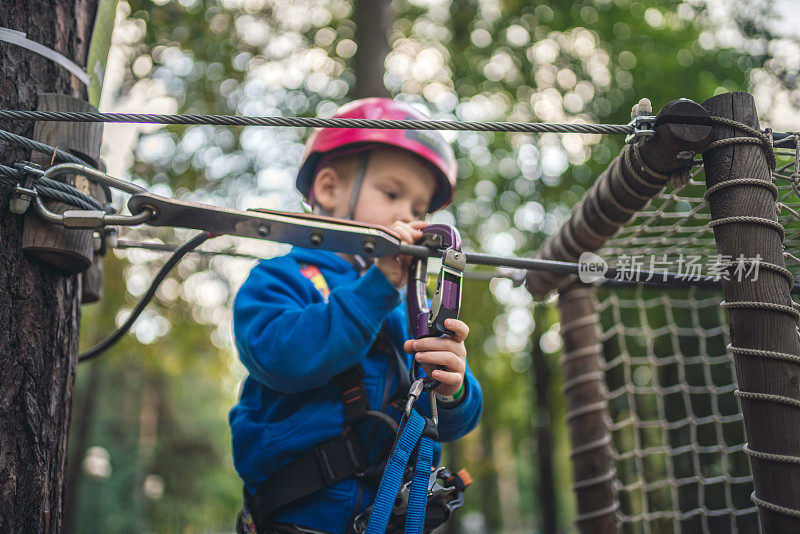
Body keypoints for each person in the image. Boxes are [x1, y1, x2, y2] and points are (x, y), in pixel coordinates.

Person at [229, 98, 483, 534]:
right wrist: (377, 288)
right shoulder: (280, 279)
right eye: (391, 193)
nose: (409, 216)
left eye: (419, 209)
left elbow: (446, 421)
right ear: (329, 190)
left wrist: (453, 389)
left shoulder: (410, 304)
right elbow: (283, 359)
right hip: (301, 515)